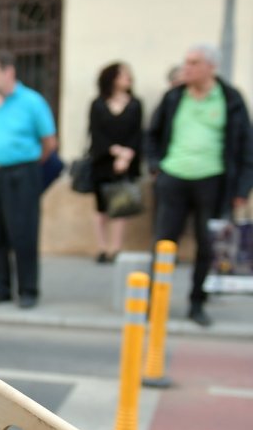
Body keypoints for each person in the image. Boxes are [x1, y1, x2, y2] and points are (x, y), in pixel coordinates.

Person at [146, 43, 253, 327]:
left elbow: (245, 148)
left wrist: (242, 190)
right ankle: (153, 303)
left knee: (207, 246)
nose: (187, 68)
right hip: (173, 178)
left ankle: (197, 302)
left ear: (211, 67)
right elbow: (152, 135)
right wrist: (155, 167)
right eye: (186, 62)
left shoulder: (230, 99)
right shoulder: (173, 97)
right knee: (163, 242)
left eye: (194, 62)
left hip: (212, 181)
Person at [0, 50, 58, 309]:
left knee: (23, 233)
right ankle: (2, 287)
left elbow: (49, 143)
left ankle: (28, 289)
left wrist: (25, 162)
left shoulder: (32, 101)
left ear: (9, 72)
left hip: (23, 173)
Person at [87, 62, 143, 263]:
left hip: (127, 162)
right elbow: (96, 133)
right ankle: (102, 247)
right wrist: (114, 151)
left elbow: (137, 133)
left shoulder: (135, 104)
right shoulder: (98, 104)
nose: (128, 79)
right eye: (123, 75)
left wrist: (127, 155)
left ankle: (116, 248)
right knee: (101, 207)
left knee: (121, 205)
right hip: (102, 161)